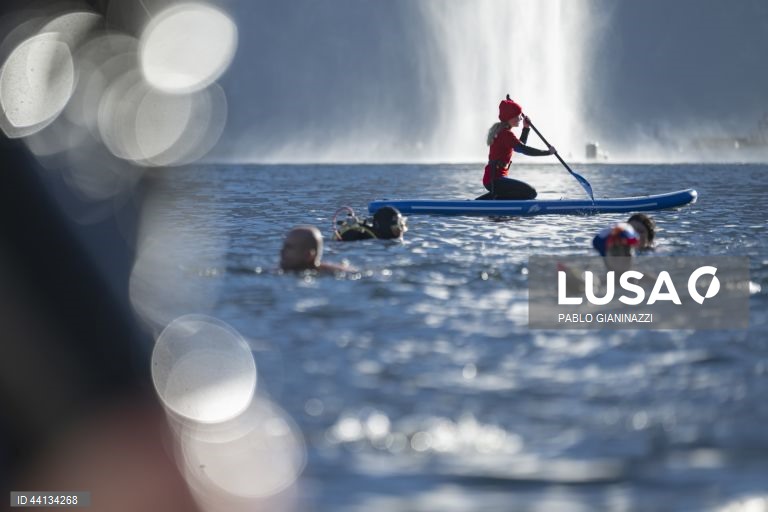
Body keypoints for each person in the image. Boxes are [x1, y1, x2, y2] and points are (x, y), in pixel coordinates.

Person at [477, 95, 556, 200]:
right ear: (509, 117)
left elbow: (520, 146)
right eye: (517, 115)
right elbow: (524, 149)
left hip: (494, 179)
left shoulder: (504, 132)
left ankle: (484, 201)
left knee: (526, 193)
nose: (520, 118)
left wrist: (526, 128)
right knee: (531, 193)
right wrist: (547, 152)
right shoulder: (505, 134)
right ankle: (493, 200)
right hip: (495, 180)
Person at [280, 226, 349, 273]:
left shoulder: (337, 273)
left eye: (289, 248)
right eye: (284, 247)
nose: (282, 251)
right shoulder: (277, 271)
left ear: (309, 255)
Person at [333, 206, 407, 241]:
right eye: (397, 227)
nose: (401, 231)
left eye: (402, 225)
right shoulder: (359, 235)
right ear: (385, 226)